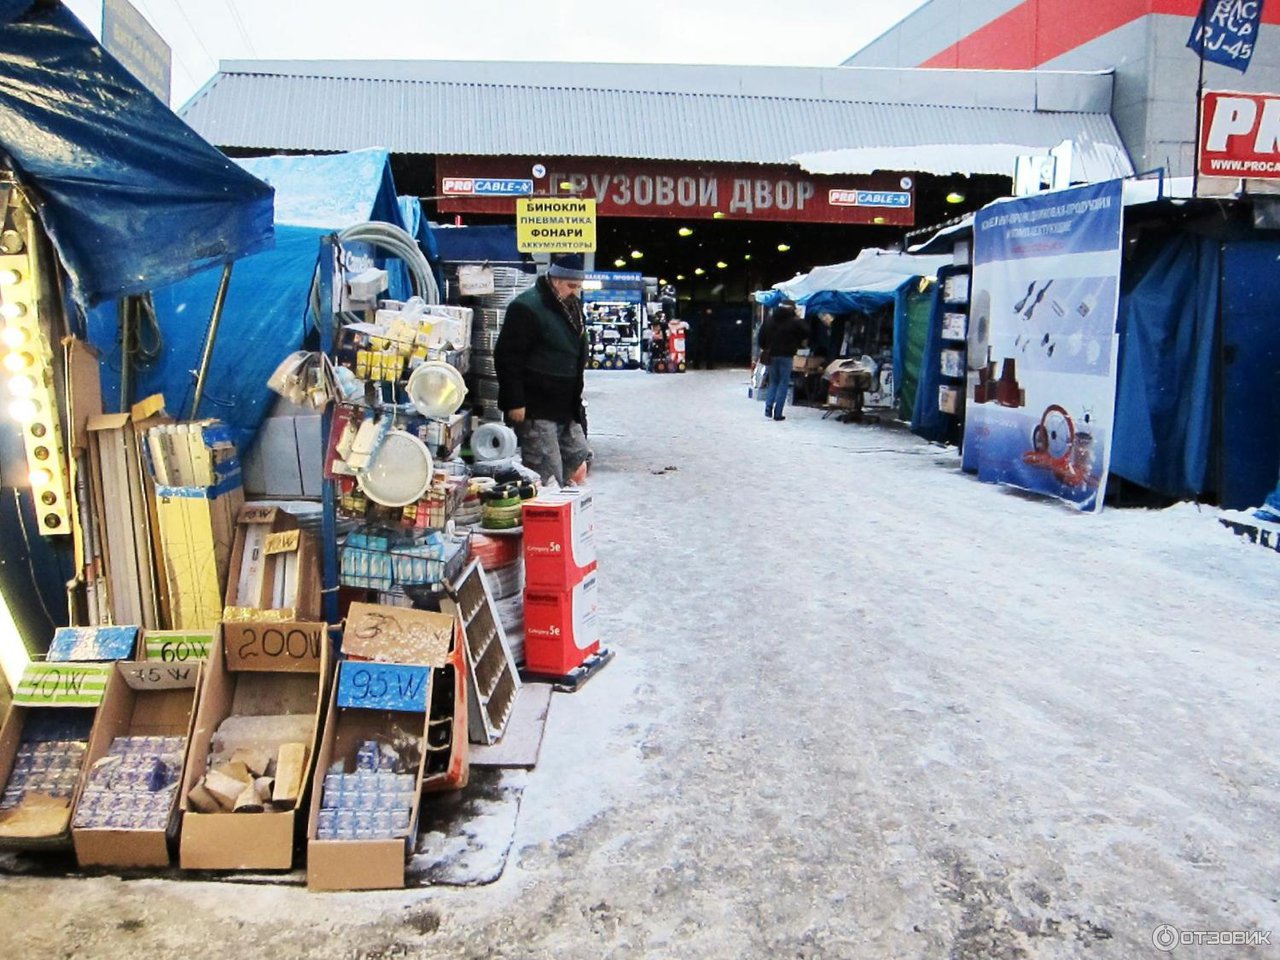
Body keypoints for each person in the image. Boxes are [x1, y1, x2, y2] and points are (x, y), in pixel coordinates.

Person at [494, 253, 592, 484]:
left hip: (566, 404)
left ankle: (560, 497)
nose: (575, 291)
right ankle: (547, 506)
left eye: (578, 286)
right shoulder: (526, 307)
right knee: (546, 468)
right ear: (556, 280)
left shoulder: (572, 306)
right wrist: (515, 401)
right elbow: (508, 357)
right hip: (536, 405)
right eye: (571, 286)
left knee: (579, 453)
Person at [757, 300, 809, 421]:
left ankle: (768, 407)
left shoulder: (769, 320)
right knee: (783, 383)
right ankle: (778, 413)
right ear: (792, 309)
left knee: (773, 382)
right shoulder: (793, 322)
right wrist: (799, 319)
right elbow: (806, 332)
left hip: (771, 355)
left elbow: (760, 338)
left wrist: (766, 347)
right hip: (786, 356)